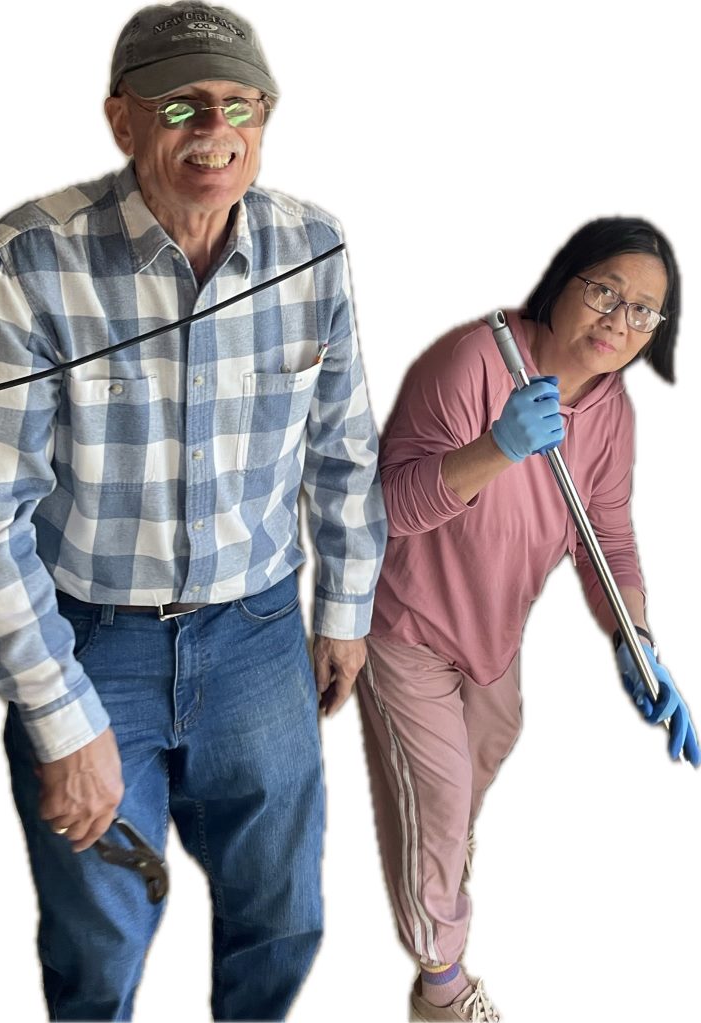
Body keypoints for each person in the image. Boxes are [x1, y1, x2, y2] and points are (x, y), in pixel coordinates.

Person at [0, 3, 386, 1020]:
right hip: (92, 645)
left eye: (240, 105)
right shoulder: (31, 259)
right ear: (122, 120)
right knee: (100, 944)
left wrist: (345, 610)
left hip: (259, 635)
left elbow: (343, 446)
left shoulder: (313, 245)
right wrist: (59, 714)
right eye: (181, 105)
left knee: (283, 918)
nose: (215, 130)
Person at [355, 217, 699, 1022]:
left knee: (489, 746)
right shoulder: (475, 362)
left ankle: (438, 853)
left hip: (493, 638)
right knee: (439, 803)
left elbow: (606, 538)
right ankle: (441, 985)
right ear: (564, 280)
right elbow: (382, 511)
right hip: (407, 626)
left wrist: (636, 641)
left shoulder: (611, 412)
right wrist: (498, 447)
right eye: (605, 291)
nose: (618, 320)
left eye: (643, 311)